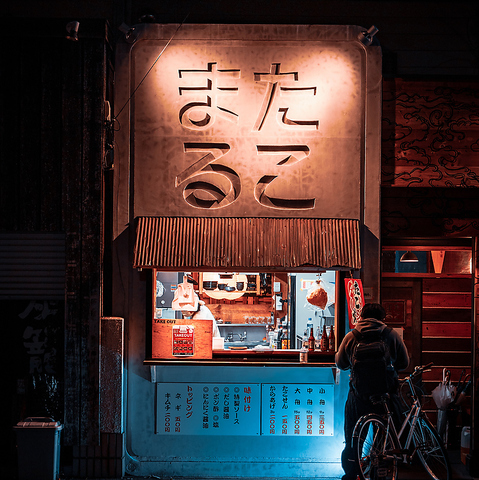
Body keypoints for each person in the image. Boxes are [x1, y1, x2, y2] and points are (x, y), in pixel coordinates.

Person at [335, 303, 409, 480]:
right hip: (384, 394)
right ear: (382, 317)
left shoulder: (352, 336)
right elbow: (404, 362)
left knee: (353, 436)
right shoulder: (390, 335)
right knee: (383, 438)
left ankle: (353, 474)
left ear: (361, 316)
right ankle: (380, 473)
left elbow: (340, 363)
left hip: (358, 395)